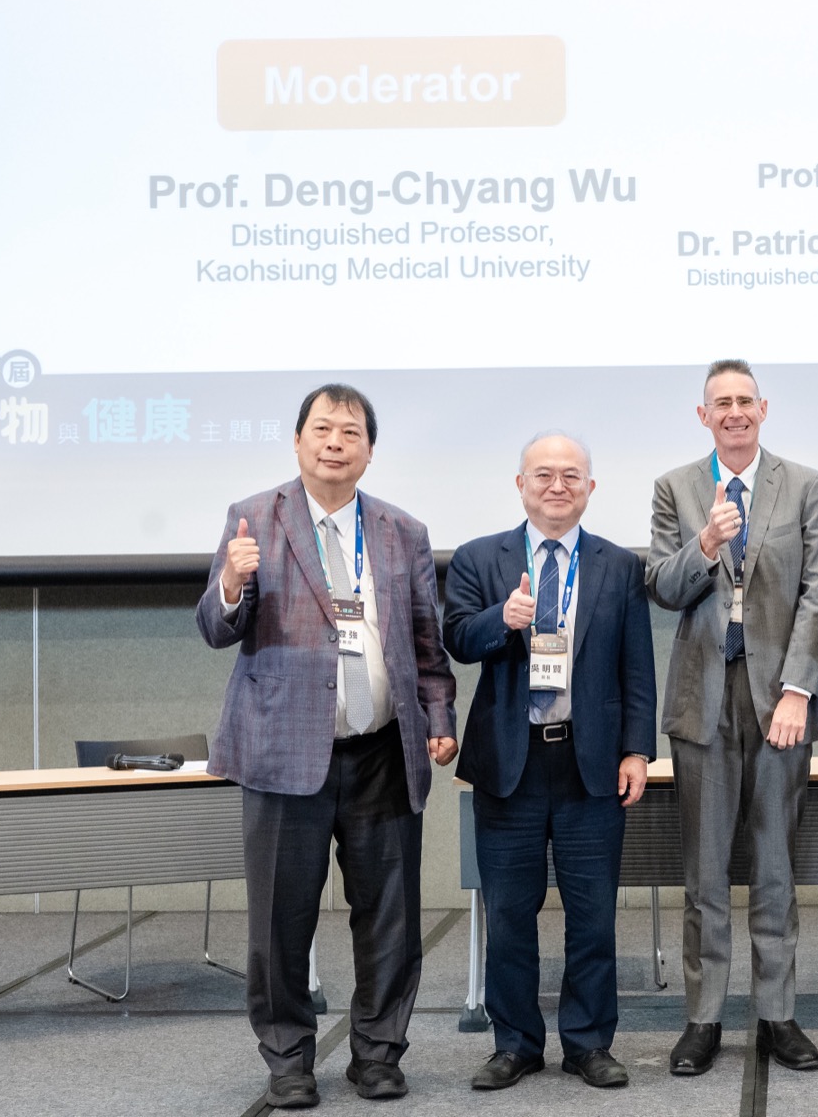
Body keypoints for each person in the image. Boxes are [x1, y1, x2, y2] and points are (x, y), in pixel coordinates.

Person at [196, 383, 458, 1110]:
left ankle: (378, 1055)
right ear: (297, 440)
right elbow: (216, 628)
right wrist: (230, 582)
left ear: (370, 450)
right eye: (322, 429)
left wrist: (439, 717)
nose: (335, 442)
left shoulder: (403, 530)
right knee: (281, 920)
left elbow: (427, 643)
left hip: (383, 750)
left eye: (350, 432)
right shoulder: (255, 517)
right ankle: (288, 1060)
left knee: (391, 917)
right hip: (285, 753)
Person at [443, 432, 657, 1092]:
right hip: (510, 764)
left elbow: (637, 668)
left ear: (590, 487)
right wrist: (502, 619)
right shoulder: (481, 557)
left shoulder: (619, 566)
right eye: (543, 474)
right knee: (510, 914)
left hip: (590, 764)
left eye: (571, 475)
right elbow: (457, 638)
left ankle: (588, 1043)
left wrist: (638, 750)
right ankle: (515, 1044)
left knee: (593, 916)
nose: (557, 485)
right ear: (520, 485)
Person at [645, 359, 818, 1076]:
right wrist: (704, 547)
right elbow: (662, 586)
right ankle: (703, 1019)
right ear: (704, 416)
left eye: (743, 400)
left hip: (780, 701)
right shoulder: (676, 488)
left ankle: (778, 1015)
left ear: (763, 408)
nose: (733, 411)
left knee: (776, 867)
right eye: (719, 402)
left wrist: (799, 688)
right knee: (705, 874)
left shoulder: (805, 485)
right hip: (703, 698)